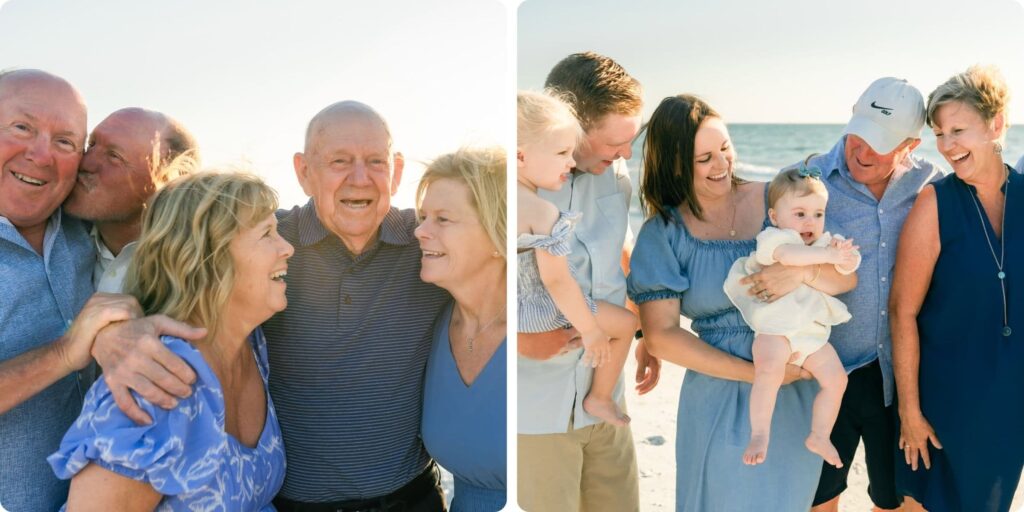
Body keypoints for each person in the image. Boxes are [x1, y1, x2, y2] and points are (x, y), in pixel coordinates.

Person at [91, 101, 452, 511]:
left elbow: (494, 252)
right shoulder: (260, 243)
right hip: (293, 504)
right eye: (339, 161)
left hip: (412, 499)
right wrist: (110, 332)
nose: (360, 178)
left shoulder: (430, 245)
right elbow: (169, 268)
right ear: (303, 171)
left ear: (397, 171)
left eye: (375, 161)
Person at [627, 94, 857, 511]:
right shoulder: (664, 233)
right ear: (675, 163)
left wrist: (800, 273)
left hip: (793, 384)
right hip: (719, 387)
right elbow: (660, 336)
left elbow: (843, 279)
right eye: (704, 159)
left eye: (725, 148)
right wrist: (758, 374)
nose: (722, 165)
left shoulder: (782, 201)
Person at [48, 171, 291, 510]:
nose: (288, 248)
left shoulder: (252, 345)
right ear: (212, 259)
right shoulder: (152, 381)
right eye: (267, 233)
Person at [797, 78, 944, 512]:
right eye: (858, 135)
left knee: (895, 499)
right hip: (826, 372)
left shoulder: (931, 186)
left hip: (897, 375)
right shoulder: (809, 180)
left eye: (879, 145)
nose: (861, 152)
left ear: (911, 144)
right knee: (818, 498)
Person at [0, 68, 142, 511]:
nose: (41, 156)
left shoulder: (84, 227)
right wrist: (65, 352)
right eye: (22, 127)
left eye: (64, 142)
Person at [516, 52, 648, 512]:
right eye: (618, 140)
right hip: (535, 408)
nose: (627, 153)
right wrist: (516, 340)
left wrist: (645, 331)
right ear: (571, 126)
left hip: (606, 397)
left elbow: (622, 254)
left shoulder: (616, 171)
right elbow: (467, 275)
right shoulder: (509, 183)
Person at [892, 65, 1022, 512]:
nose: (947, 145)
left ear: (996, 125)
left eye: (958, 130)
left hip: (1009, 405)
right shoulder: (935, 203)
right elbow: (902, 312)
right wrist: (910, 412)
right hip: (942, 404)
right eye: (939, 133)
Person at [723, 166, 859, 467]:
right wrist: (829, 257)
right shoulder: (774, 239)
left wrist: (846, 256)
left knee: (837, 380)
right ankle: (759, 433)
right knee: (768, 371)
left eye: (818, 214)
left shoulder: (824, 244)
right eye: (800, 214)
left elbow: (846, 272)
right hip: (776, 331)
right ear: (774, 216)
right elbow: (791, 258)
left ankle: (819, 435)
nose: (811, 222)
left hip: (811, 336)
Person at [517, 89, 637, 427]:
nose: (570, 162)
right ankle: (599, 398)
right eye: (561, 153)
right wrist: (591, 331)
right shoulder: (542, 211)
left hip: (517, 309)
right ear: (520, 157)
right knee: (626, 325)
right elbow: (557, 280)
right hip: (545, 311)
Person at [417, 147, 507, 511]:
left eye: (442, 219)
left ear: (497, 234)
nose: (420, 231)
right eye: (423, 217)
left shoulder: (538, 327)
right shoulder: (433, 323)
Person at [64, 107, 198, 293]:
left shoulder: (200, 272)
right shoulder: (50, 233)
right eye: (91, 144)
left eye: (114, 156)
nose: (85, 162)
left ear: (170, 180)